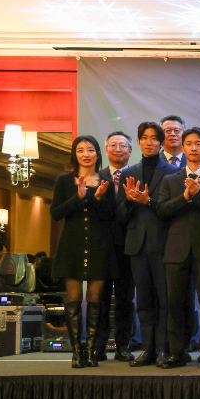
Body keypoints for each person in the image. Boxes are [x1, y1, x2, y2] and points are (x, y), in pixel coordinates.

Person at [157, 127, 200, 369]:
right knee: (175, 304)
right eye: (189, 143)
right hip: (176, 250)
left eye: (199, 143)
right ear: (182, 148)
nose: (194, 148)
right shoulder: (170, 180)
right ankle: (177, 352)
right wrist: (185, 197)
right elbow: (162, 211)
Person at [50, 135, 119, 368]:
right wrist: (78, 198)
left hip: (100, 245)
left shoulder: (105, 180)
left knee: (96, 300)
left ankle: (90, 350)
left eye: (90, 149)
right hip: (72, 246)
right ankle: (77, 351)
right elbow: (56, 213)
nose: (86, 154)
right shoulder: (64, 180)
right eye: (80, 150)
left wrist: (99, 198)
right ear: (74, 155)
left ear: (98, 154)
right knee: (73, 299)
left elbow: (112, 217)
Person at [117, 122, 180, 367]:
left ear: (161, 142)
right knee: (143, 302)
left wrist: (149, 200)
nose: (149, 142)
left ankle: (164, 350)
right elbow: (121, 216)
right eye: (144, 138)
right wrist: (131, 202)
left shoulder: (173, 171)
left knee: (165, 301)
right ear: (139, 142)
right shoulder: (128, 172)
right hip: (137, 245)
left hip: (164, 244)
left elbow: (173, 209)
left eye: (154, 138)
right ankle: (147, 350)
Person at [97, 131, 135, 362]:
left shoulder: (137, 175)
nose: (118, 149)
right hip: (102, 246)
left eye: (123, 146)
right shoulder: (95, 176)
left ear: (131, 151)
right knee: (100, 299)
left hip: (129, 246)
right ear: (106, 150)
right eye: (113, 145)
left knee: (125, 299)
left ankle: (123, 346)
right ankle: (99, 347)